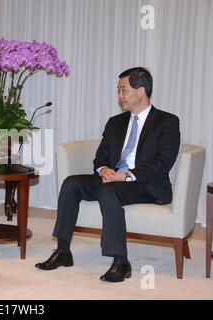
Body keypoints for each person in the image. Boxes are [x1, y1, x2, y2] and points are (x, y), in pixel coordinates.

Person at [35, 67, 180, 282]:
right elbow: (100, 156)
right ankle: (63, 251)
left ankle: (121, 261)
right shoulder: (116, 122)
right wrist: (104, 169)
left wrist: (126, 175)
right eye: (118, 91)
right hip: (113, 180)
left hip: (145, 185)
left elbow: (162, 163)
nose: (120, 96)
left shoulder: (167, 122)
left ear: (140, 91)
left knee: (108, 191)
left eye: (123, 90)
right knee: (71, 183)